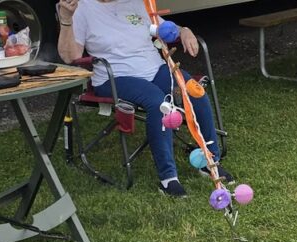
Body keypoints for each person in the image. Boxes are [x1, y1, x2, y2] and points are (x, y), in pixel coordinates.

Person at [56, 0, 234, 197]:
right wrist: (66, 19)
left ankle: (210, 162)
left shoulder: (136, 3)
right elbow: (70, 56)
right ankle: (168, 178)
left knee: (194, 91)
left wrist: (184, 30)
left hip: (155, 69)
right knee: (159, 103)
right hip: (115, 77)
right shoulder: (82, 8)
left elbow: (164, 28)